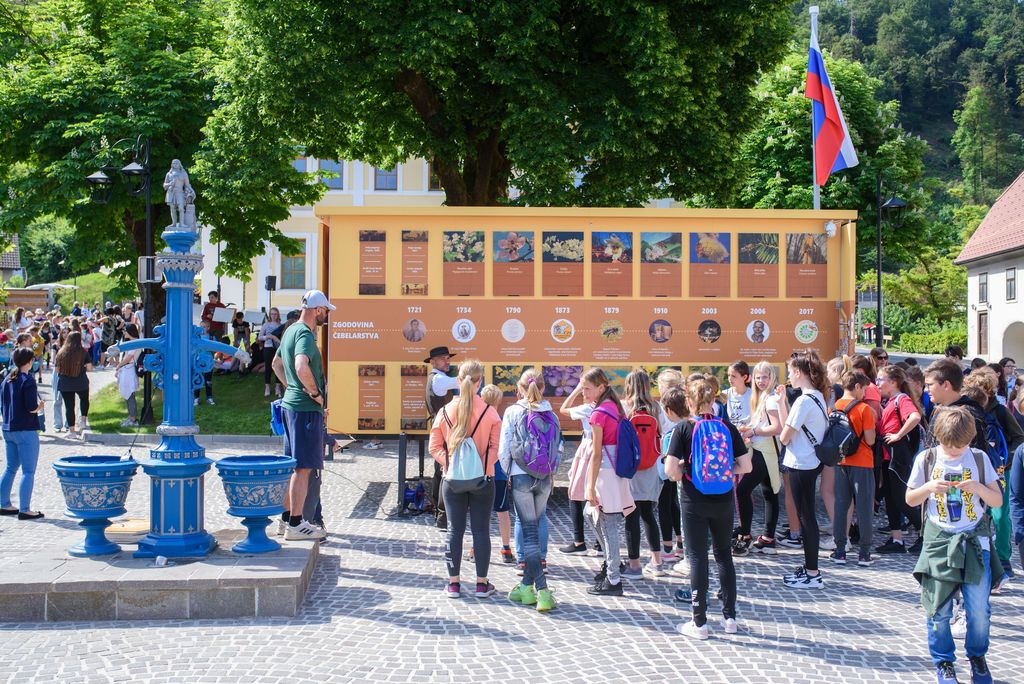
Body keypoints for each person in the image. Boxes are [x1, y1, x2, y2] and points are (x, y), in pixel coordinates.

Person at [907, 406, 1001, 684]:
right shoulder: (927, 459)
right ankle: (944, 662)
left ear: (970, 439)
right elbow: (910, 499)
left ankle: (977, 657)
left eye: (960, 446)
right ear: (939, 438)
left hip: (974, 540)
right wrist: (929, 488)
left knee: (978, 608)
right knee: (938, 609)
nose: (954, 450)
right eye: (949, 445)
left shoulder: (979, 458)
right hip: (939, 540)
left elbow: (997, 500)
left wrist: (979, 488)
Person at [665, 376, 752, 638]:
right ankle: (730, 619)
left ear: (688, 401)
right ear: (713, 400)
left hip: (694, 500)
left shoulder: (683, 428)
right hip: (723, 499)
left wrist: (686, 469)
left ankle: (700, 623)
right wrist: (724, 472)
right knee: (724, 556)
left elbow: (671, 471)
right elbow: (746, 466)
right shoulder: (727, 427)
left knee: (697, 557)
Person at [429, 359, 502, 601]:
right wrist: (484, 468)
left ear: (458, 381)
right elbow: (496, 448)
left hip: (452, 480)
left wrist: (450, 464)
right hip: (483, 480)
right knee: (481, 531)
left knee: (454, 531)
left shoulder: (444, 412)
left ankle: (453, 584)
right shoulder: (490, 413)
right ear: (480, 382)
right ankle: (482, 584)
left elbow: (434, 447)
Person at [272, 289, 334, 541]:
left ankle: (286, 519)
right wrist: (314, 393)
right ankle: (296, 524)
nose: (326, 315)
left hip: (291, 407)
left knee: (293, 466)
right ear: (317, 310)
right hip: (305, 410)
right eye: (325, 310)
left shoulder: (290, 331)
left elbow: (276, 364)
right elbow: (300, 365)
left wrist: (292, 388)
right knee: (304, 467)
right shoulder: (306, 334)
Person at [500, 368, 561, 612]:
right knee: (535, 527)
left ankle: (542, 591)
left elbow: (504, 448)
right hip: (544, 477)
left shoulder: (513, 412)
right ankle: (526, 587)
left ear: (520, 388)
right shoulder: (551, 414)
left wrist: (508, 473)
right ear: (543, 387)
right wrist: (551, 472)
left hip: (521, 475)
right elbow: (558, 448)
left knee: (529, 534)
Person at [776, 350, 830, 588]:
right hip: (809, 462)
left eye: (790, 371)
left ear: (798, 372)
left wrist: (783, 406)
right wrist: (781, 403)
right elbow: (789, 429)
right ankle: (810, 569)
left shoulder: (804, 400)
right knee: (807, 516)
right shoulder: (817, 396)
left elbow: (784, 437)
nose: (789, 376)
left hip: (801, 463)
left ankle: (812, 573)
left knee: (806, 518)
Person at [584, 367, 635, 596]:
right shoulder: (614, 406)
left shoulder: (599, 414)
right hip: (616, 471)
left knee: (607, 524)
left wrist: (589, 486)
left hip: (605, 473)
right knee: (593, 516)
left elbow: (597, 454)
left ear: (601, 387)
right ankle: (612, 563)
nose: (584, 392)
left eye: (587, 388)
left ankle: (613, 578)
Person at [830, 371, 877, 566]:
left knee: (841, 506)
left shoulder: (834, 407)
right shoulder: (864, 409)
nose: (864, 393)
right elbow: (870, 440)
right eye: (864, 389)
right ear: (857, 386)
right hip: (862, 463)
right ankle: (864, 553)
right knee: (864, 507)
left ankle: (840, 550)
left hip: (841, 461)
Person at [876, 364, 925, 554]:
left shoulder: (901, 399)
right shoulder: (890, 400)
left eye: (881, 379)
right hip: (888, 455)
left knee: (902, 498)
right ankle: (897, 539)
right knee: (890, 498)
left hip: (898, 455)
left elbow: (915, 417)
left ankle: (925, 535)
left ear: (893, 382)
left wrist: (898, 434)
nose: (877, 383)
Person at [736, 361, 784, 555]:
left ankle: (746, 535)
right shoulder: (766, 397)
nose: (761, 380)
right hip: (764, 450)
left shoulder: (770, 398)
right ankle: (767, 538)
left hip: (764, 451)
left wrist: (752, 431)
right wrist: (750, 428)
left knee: (743, 490)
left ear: (772, 377)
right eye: (758, 377)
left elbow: (777, 427)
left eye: (765, 376)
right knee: (769, 493)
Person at [0, 348, 45, 520]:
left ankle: (4, 503)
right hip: (25, 430)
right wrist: (40, 407)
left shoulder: (7, 379)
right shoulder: (28, 380)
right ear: (29, 361)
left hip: (8, 428)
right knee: (28, 471)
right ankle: (25, 509)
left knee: (10, 468)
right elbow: (30, 407)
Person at [561, 380, 599, 556]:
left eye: (586, 389)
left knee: (575, 493)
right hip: (603, 449)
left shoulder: (587, 409)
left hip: (588, 449)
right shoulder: (610, 406)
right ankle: (600, 542)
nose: (583, 392)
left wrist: (575, 390)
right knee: (599, 495)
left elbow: (564, 409)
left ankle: (579, 541)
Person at [425, 346, 460, 528]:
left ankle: (439, 512)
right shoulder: (439, 379)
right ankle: (442, 515)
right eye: (443, 359)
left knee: (440, 469)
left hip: (442, 428)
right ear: (433, 362)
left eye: (448, 358)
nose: (447, 361)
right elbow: (461, 381)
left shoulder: (438, 378)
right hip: (444, 429)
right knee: (444, 469)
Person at [481, 384, 514, 564]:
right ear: (499, 401)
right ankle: (506, 548)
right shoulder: (501, 421)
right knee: (503, 512)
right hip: (499, 473)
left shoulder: (477, 419)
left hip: (480, 472)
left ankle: (476, 547)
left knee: (480, 512)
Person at [656, 368, 685, 561]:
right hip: (682, 460)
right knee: (677, 502)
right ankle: (680, 543)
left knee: (664, 504)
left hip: (665, 459)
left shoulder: (661, 408)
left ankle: (667, 546)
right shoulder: (684, 404)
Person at [55, 331, 92, 439]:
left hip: (65, 382)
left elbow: (57, 370)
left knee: (69, 407)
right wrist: (81, 368)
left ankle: (72, 431)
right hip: (81, 381)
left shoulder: (61, 352)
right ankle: (83, 421)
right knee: (84, 399)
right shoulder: (83, 352)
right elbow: (89, 368)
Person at [116, 324, 141, 427]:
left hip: (129, 370)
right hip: (127, 369)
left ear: (130, 331)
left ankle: (133, 419)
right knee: (128, 395)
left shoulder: (135, 343)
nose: (124, 332)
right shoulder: (132, 342)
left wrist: (118, 365)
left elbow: (129, 358)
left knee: (130, 394)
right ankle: (131, 416)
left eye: (125, 331)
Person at [258, 308, 284, 398]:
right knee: (268, 367)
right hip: (268, 347)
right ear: (269, 315)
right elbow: (259, 337)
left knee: (278, 367)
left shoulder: (280, 325)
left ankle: (277, 386)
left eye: (275, 314)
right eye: (272, 314)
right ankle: (267, 387)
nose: (273, 316)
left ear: (278, 315)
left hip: (278, 348)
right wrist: (268, 337)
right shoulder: (266, 325)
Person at [193, 321, 216, 406]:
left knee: (208, 381)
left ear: (208, 327)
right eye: (201, 326)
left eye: (205, 326)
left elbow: (214, 350)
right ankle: (196, 398)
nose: (203, 328)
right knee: (197, 380)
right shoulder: (196, 337)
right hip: (198, 362)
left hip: (208, 362)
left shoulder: (211, 338)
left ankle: (209, 397)